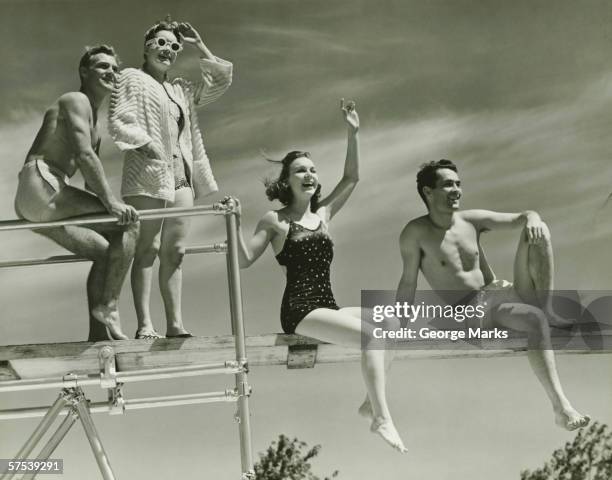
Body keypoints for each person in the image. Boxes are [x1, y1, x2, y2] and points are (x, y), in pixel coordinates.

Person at [231, 99, 407, 453]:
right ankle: (382, 417)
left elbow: (352, 177)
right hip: (299, 310)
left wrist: (353, 132)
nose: (309, 174)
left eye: (312, 169)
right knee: (372, 337)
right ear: (286, 181)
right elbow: (245, 259)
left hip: (328, 306)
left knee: (393, 324)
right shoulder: (274, 220)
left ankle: (369, 402)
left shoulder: (323, 215)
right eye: (300, 170)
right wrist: (232, 221)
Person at [392, 159, 590, 431]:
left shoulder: (471, 220)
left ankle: (548, 309)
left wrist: (532, 216)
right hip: (476, 310)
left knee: (540, 230)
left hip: (502, 290)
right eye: (448, 184)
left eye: (458, 184)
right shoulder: (414, 232)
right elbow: (407, 283)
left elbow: (523, 216)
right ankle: (561, 407)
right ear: (428, 192)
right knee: (533, 320)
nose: (457, 190)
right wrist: (397, 327)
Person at [108, 18, 232, 339]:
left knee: (175, 252)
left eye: (174, 46)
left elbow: (219, 82)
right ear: (146, 46)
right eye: (161, 43)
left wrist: (199, 43)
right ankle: (146, 324)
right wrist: (146, 144)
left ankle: (175, 324)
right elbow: (119, 119)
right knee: (147, 247)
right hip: (147, 176)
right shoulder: (130, 78)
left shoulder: (181, 89)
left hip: (182, 181)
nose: (168, 50)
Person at [14, 45, 140, 341]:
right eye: (102, 66)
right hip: (42, 181)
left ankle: (98, 333)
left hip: (42, 200)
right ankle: (109, 306)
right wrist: (111, 204)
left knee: (105, 251)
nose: (110, 71)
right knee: (131, 224)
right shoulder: (76, 100)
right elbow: (84, 156)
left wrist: (105, 210)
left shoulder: (95, 123)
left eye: (114, 68)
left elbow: (87, 179)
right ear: (84, 72)